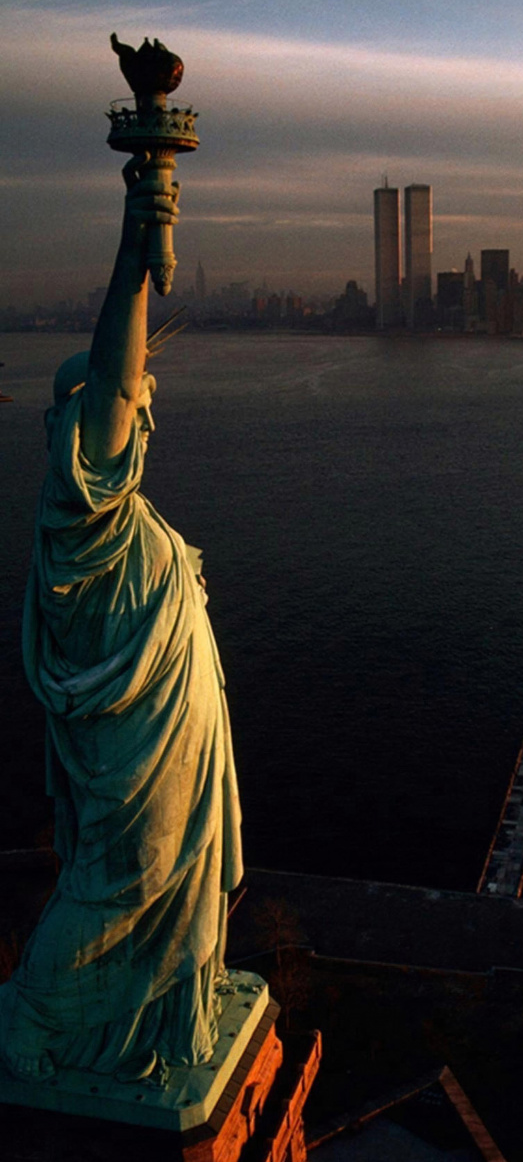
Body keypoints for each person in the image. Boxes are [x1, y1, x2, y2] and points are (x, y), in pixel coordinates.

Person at [0, 158, 243, 1083]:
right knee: (118, 885)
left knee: (147, 891)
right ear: (82, 433)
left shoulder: (121, 522)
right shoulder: (82, 515)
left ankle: (162, 1004)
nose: (143, 416)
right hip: (134, 762)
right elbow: (110, 370)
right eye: (130, 408)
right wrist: (136, 247)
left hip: (163, 745)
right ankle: (35, 1015)